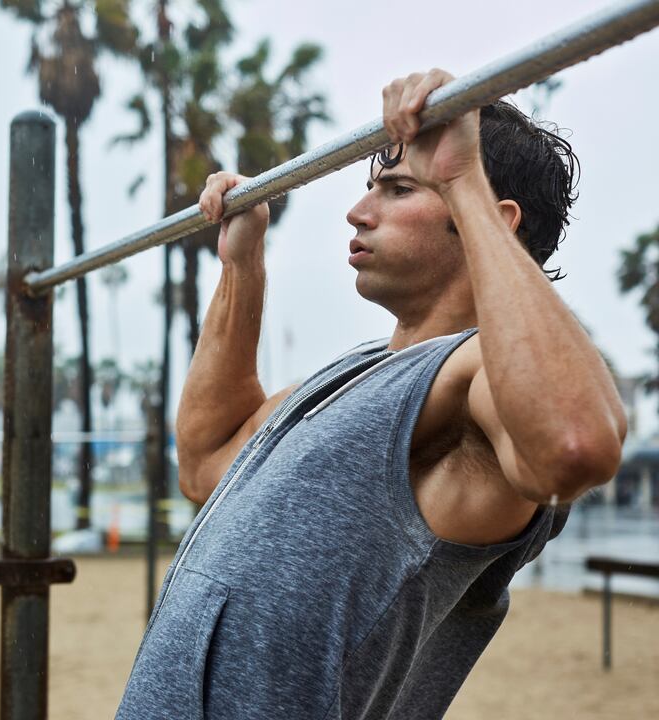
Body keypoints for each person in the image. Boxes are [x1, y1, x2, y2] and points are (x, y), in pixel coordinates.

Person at [116, 69, 627, 719]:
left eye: (398, 188)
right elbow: (206, 464)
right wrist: (242, 267)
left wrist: (464, 177)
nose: (359, 213)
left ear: (489, 223)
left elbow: (576, 446)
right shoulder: (355, 374)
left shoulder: (471, 382)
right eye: (370, 190)